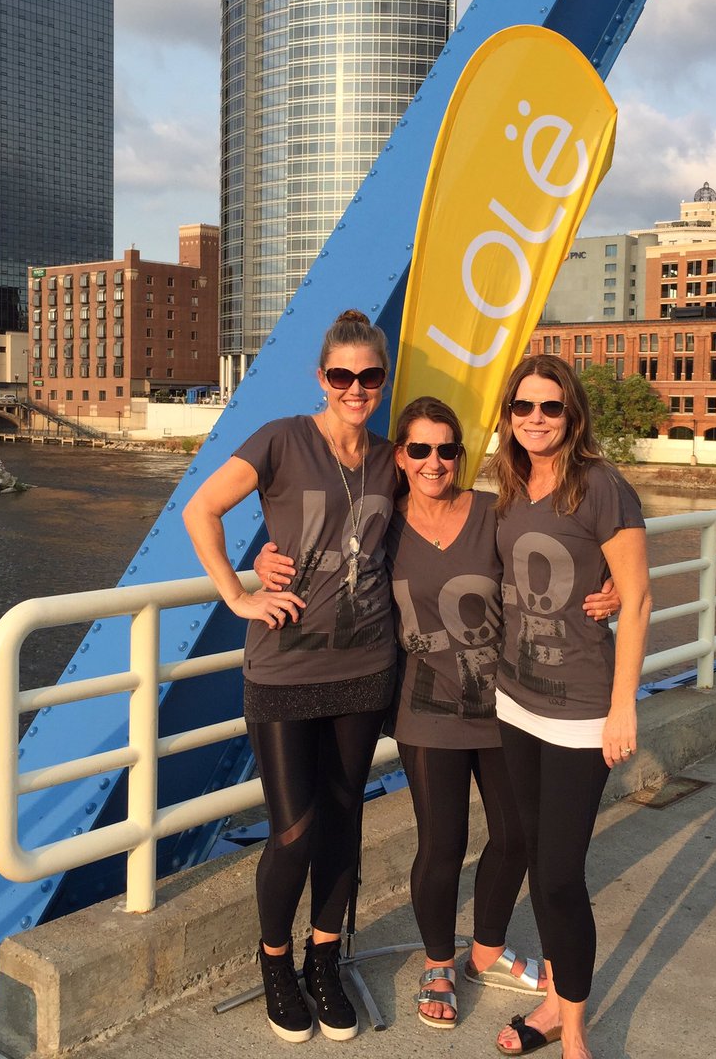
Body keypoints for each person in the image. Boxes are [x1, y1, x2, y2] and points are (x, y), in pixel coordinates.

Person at [258, 392, 619, 1033]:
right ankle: (438, 964)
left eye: (446, 449)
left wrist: (609, 585)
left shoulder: (494, 512)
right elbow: (316, 553)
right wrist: (262, 562)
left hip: (507, 703)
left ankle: (485, 948)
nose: (433, 461)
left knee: (514, 839)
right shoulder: (381, 523)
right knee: (441, 846)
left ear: (461, 455)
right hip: (427, 710)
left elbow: (566, 548)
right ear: (400, 455)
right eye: (418, 449)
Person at [182, 309, 397, 1044]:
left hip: (365, 665)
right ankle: (275, 961)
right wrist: (240, 591)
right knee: (295, 830)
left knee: (343, 822)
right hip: (282, 669)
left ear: (383, 377)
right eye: (342, 375)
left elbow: (449, 532)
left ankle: (324, 962)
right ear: (322, 379)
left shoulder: (392, 460)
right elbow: (201, 509)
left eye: (370, 375)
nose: (356, 387)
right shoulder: (282, 439)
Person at [488, 355, 651, 1059]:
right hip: (516, 702)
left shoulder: (601, 487)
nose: (535, 419)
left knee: (558, 874)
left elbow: (638, 596)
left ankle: (574, 1031)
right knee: (535, 858)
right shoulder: (507, 488)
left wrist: (624, 707)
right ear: (509, 416)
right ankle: (554, 1003)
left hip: (584, 707)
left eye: (549, 407)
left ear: (571, 414)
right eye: (523, 407)